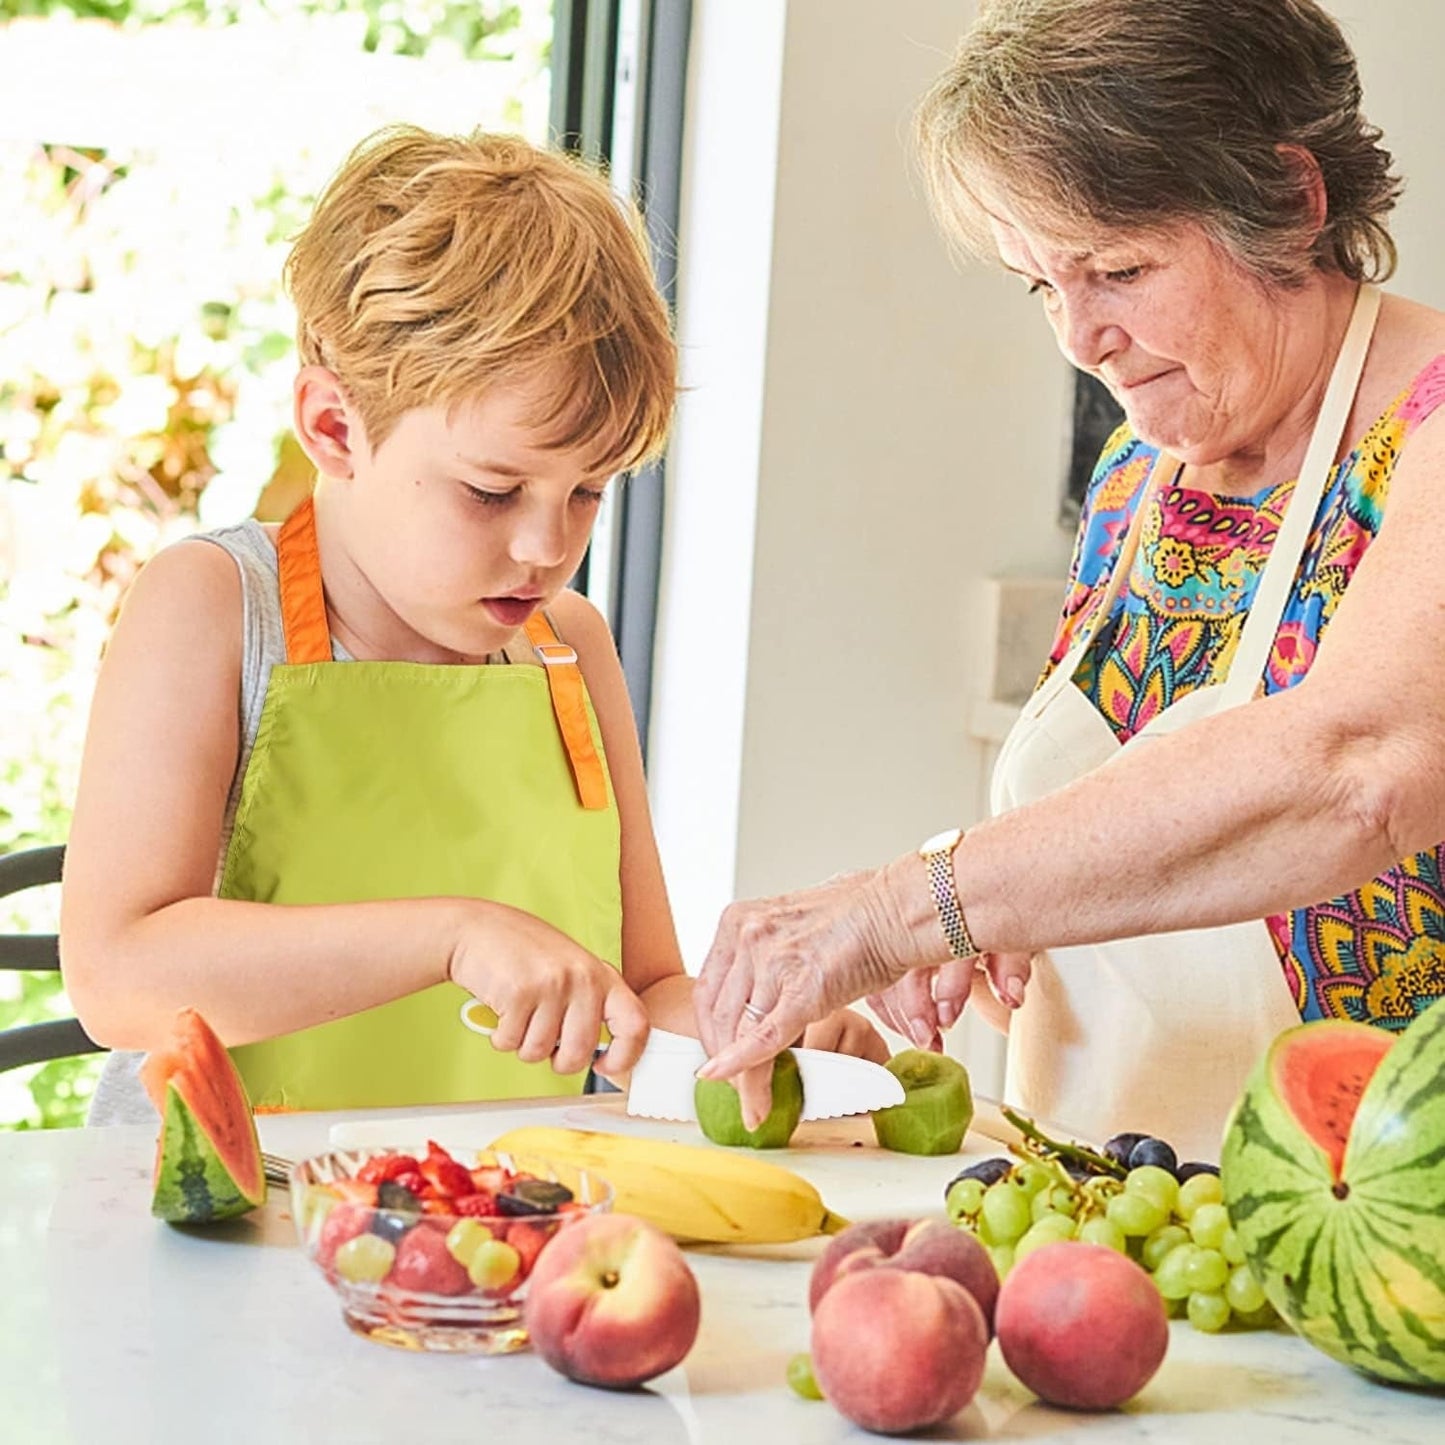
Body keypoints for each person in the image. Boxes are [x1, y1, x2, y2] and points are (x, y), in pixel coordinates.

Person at [694, 0, 1445, 1161]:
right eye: (1038, 284)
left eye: (1118, 269)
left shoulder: (1429, 436)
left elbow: (1352, 771)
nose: (1078, 338)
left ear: (1291, 204)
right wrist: (1006, 903)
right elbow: (1122, 809)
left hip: (1377, 1252)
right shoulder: (1135, 474)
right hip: (1108, 1221)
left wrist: (915, 903)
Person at [62, 125, 884, 1124]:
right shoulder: (212, 604)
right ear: (334, 427)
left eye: (588, 491)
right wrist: (452, 934)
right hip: (218, 1234)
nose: (547, 546)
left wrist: (751, 1030)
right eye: (493, 492)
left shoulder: (567, 647)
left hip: (481, 1227)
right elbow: (116, 976)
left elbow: (643, 994)